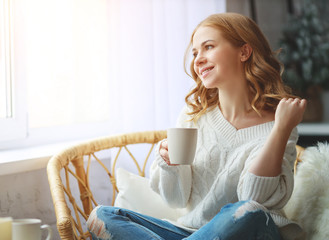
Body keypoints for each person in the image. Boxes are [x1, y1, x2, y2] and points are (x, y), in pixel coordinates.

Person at [87, 12, 307, 240]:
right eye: (195, 53)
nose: (198, 59)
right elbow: (176, 200)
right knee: (102, 215)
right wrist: (170, 165)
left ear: (244, 51)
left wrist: (281, 129)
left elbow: (254, 197)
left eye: (208, 47)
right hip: (191, 233)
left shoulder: (281, 122)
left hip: (252, 230)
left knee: (248, 211)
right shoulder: (194, 116)